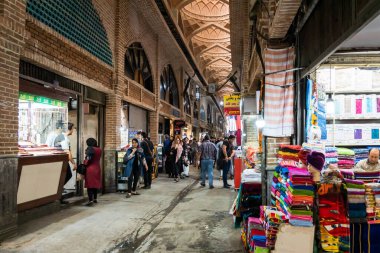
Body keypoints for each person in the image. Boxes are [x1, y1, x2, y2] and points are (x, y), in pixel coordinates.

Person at [59, 122, 77, 204]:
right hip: (63, 161)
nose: (73, 130)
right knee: (67, 175)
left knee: (64, 176)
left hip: (61, 160)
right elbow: (67, 152)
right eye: (73, 128)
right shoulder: (64, 138)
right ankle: (59, 193)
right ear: (70, 129)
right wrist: (73, 163)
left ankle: (60, 192)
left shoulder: (61, 137)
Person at [84, 138, 102, 206]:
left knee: (90, 185)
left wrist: (84, 163)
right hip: (97, 167)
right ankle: (95, 199)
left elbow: (89, 159)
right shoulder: (99, 149)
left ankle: (90, 200)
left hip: (90, 169)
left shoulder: (91, 149)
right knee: (95, 185)